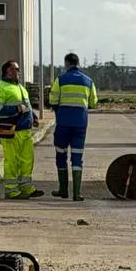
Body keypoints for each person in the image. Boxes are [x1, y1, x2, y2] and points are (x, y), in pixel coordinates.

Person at [48, 52, 98, 200]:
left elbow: (53, 99)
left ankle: (63, 190)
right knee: (77, 157)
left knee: (61, 154)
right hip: (80, 125)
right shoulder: (88, 81)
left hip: (63, 123)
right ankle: (77, 194)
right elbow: (93, 102)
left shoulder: (61, 80)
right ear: (78, 63)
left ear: (67, 63)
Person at [0, 60, 43, 200]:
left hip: (25, 131)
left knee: (26, 160)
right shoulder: (0, 88)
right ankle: (11, 190)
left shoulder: (20, 87)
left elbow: (27, 105)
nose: (18, 72)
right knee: (12, 161)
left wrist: (33, 117)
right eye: (16, 69)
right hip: (11, 131)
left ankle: (26, 187)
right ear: (8, 71)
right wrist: (16, 109)